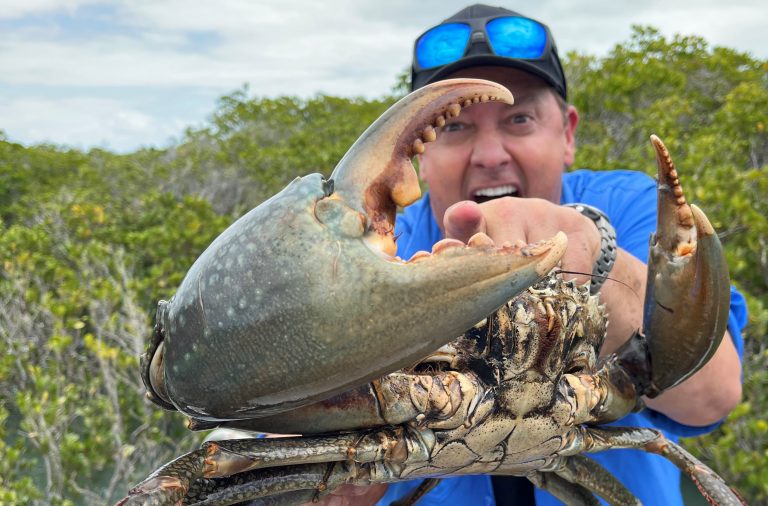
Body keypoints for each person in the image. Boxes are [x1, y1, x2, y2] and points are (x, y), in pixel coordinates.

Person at [318, 4, 747, 505]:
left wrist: (596, 257)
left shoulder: (624, 208)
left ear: (567, 132)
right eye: (453, 127)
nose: (490, 154)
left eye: (519, 118)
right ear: (419, 155)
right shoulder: (363, 257)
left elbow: (712, 394)